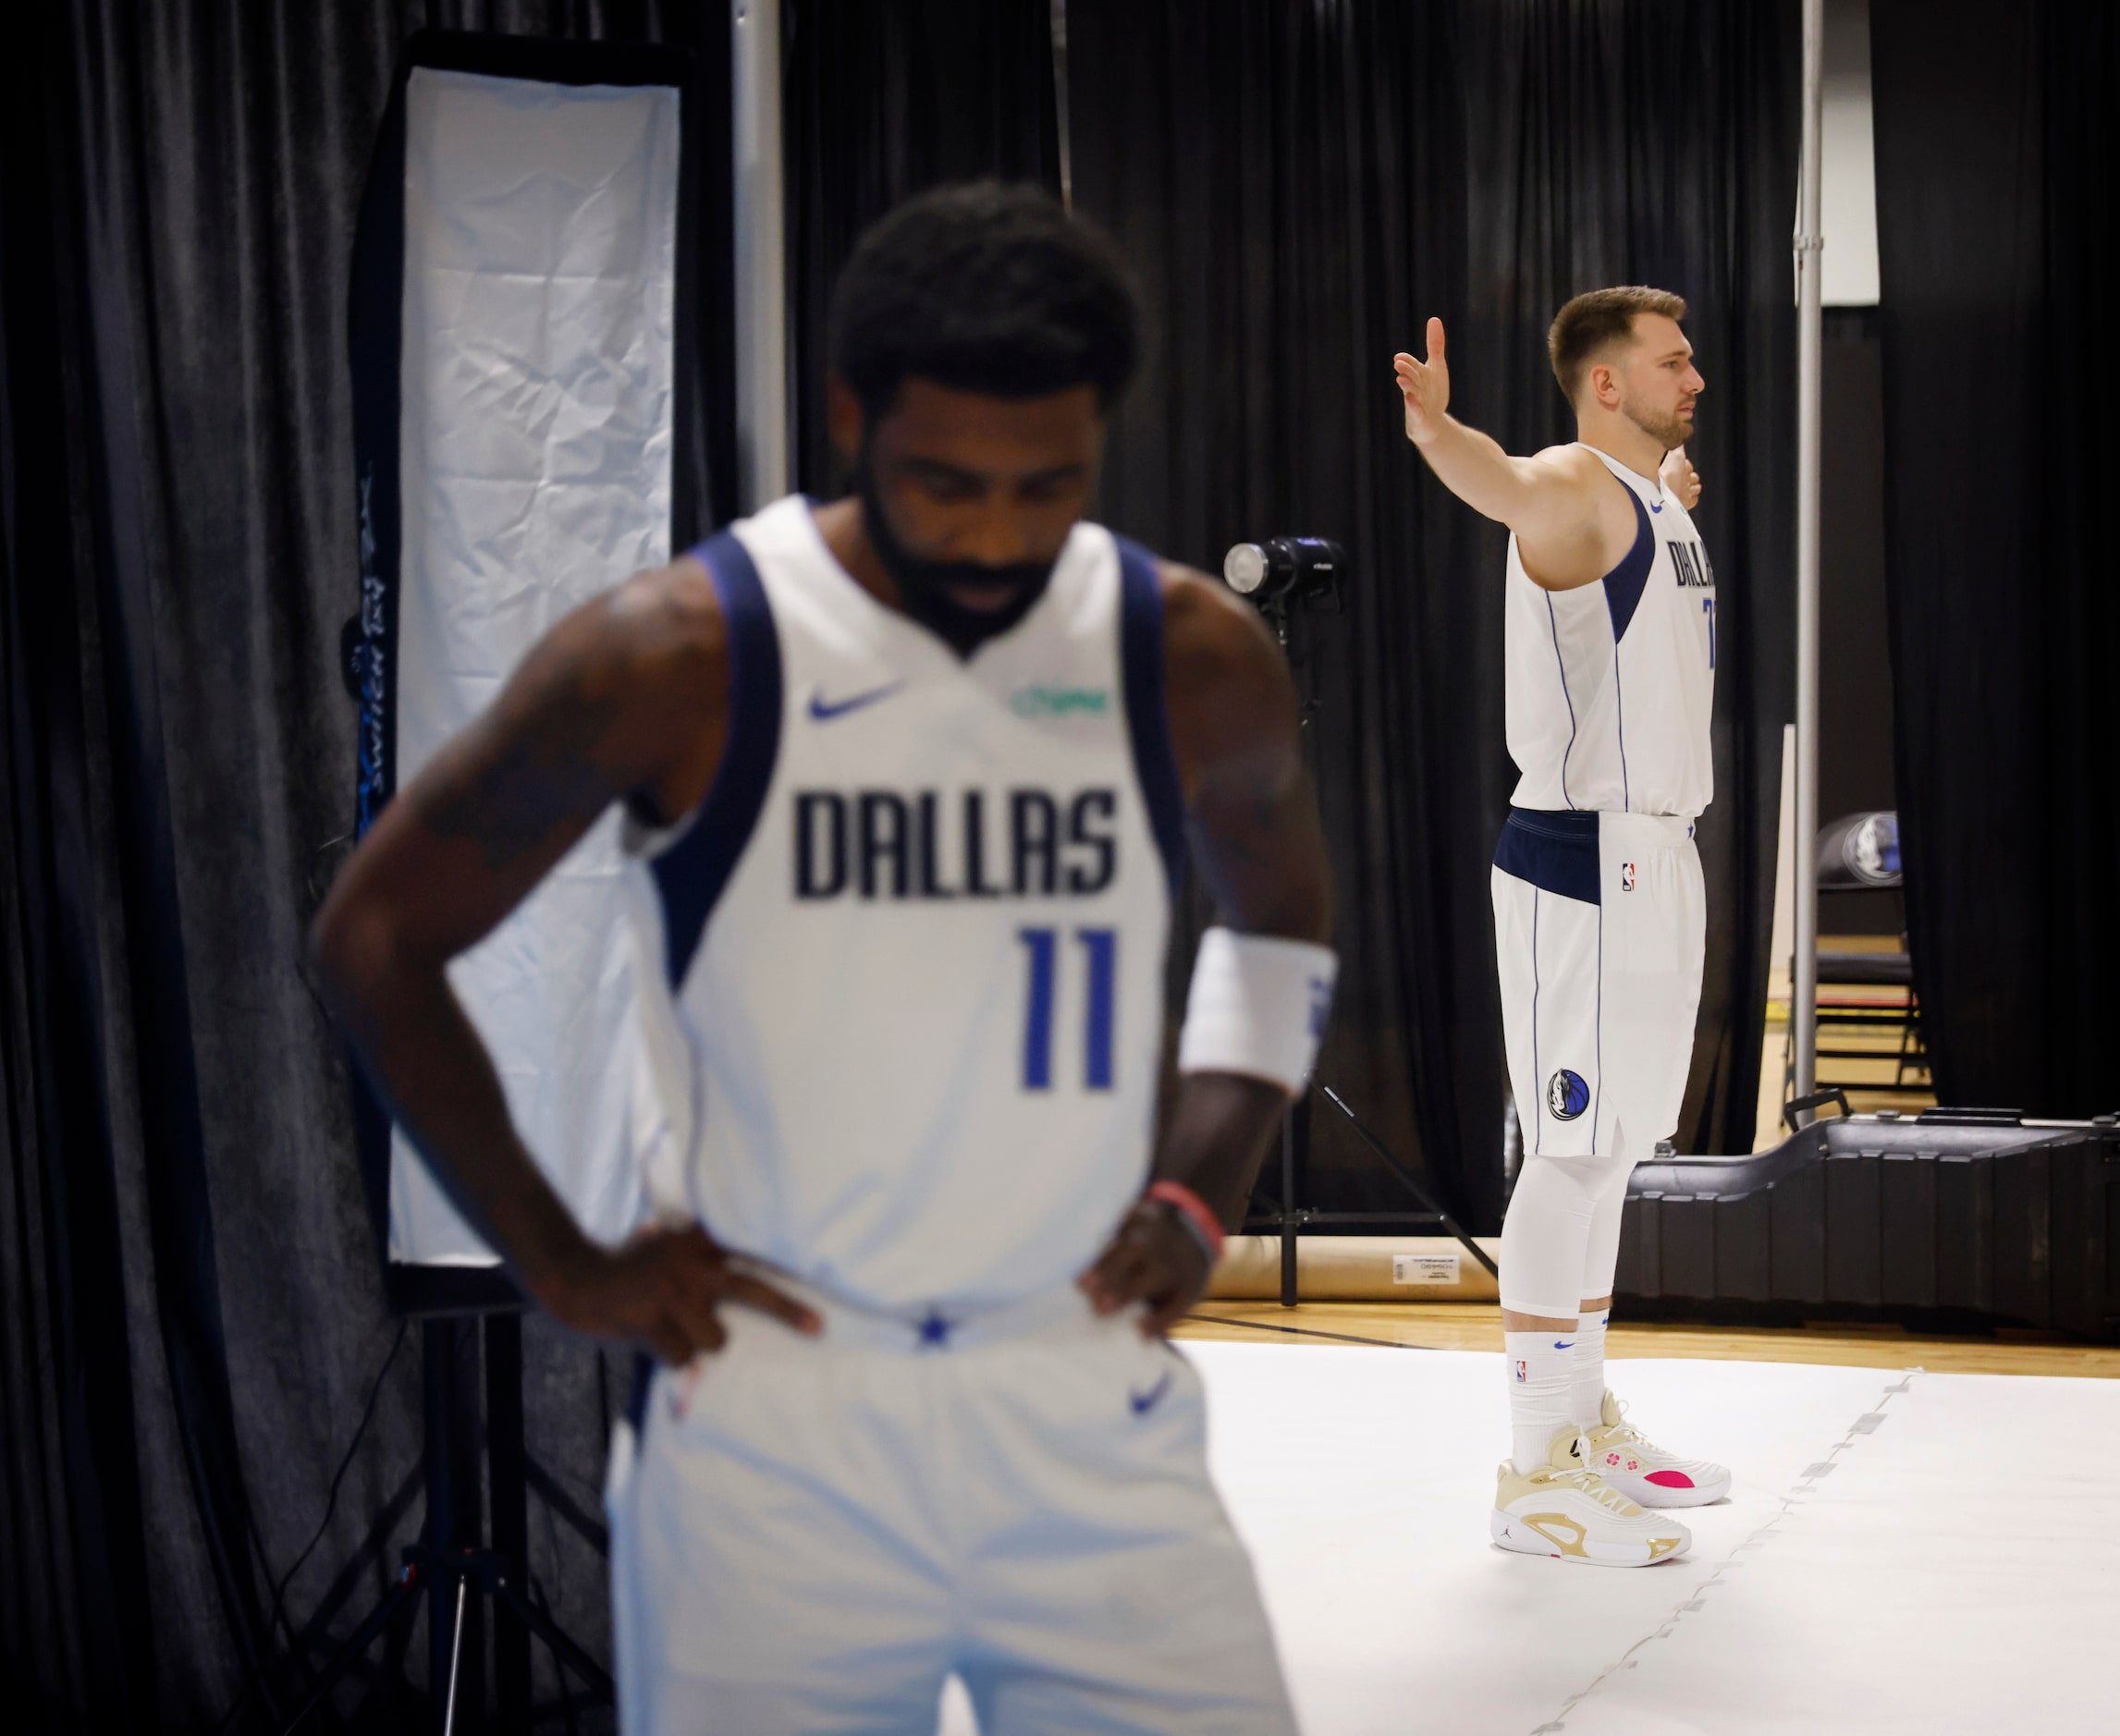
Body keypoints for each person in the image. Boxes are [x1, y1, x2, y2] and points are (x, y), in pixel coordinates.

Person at [314, 181, 1334, 1732]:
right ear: (850, 414)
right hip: (777, 1415)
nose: (994, 536)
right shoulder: (679, 652)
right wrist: (562, 1258)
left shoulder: (1184, 651)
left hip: (1074, 1384)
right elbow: (377, 935)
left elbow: (1276, 926)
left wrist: (1202, 1184)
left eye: (1044, 486)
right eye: (943, 485)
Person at [1392, 287, 1730, 1567]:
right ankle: (1533, 1470)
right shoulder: (1571, 483)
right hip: (1579, 857)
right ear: (1604, 383)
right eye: (1670, 359)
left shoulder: (1648, 497)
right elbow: (1505, 478)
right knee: (1568, 1151)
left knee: (1615, 1150)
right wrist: (1437, 434)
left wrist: (1668, 494)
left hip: (1655, 853)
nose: (1692, 374)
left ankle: (1579, 1419)